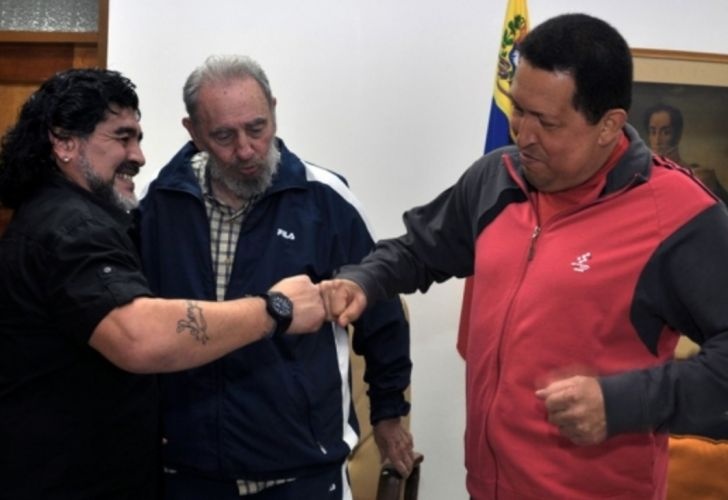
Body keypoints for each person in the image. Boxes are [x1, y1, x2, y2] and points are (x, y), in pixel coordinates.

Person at [321, 13, 728, 500]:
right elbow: (417, 249)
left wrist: (623, 402)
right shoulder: (498, 177)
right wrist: (363, 280)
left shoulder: (678, 214)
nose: (522, 134)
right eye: (518, 109)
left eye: (546, 122)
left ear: (609, 126)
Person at [0, 68, 327, 500]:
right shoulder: (72, 227)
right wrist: (275, 309)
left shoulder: (64, 216)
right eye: (122, 138)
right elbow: (139, 336)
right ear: (64, 143)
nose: (138, 156)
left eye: (137, 138)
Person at [136, 55, 414, 499]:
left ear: (274, 111)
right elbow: (136, 326)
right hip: (185, 472)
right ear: (193, 132)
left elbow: (381, 315)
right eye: (224, 136)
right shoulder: (157, 203)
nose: (246, 149)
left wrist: (388, 412)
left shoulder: (325, 200)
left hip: (300, 472)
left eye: (257, 128)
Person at [644, 102, 728, 204]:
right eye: (653, 132)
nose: (657, 140)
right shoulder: (644, 175)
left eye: (666, 132)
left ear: (678, 135)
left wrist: (713, 189)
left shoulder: (699, 175)